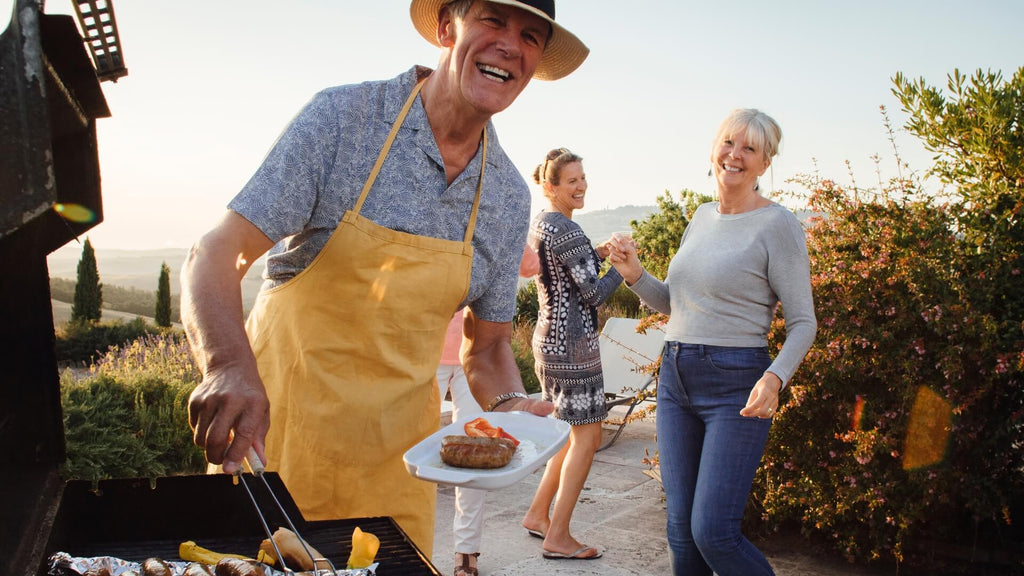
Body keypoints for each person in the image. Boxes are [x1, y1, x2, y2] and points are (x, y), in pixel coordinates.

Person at [179, 0, 589, 556]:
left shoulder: (506, 195)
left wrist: (513, 404)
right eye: (492, 20)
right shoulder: (343, 121)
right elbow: (217, 251)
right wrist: (226, 365)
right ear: (447, 27)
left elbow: (487, 346)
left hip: (397, 467)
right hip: (275, 444)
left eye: (531, 35)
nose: (510, 45)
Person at [607, 109, 817, 576]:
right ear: (713, 149)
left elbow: (804, 322)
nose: (735, 155)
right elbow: (676, 305)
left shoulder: (778, 225)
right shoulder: (701, 217)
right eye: (728, 142)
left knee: (713, 533)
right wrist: (633, 274)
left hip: (736, 386)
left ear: (765, 164)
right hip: (675, 379)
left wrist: (774, 378)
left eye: (750, 148)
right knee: (681, 533)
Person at [520, 148, 623, 561]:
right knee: (588, 435)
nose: (581, 186)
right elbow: (594, 293)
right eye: (572, 181)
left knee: (565, 434)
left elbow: (564, 268)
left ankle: (537, 515)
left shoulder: (543, 224)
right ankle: (559, 535)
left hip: (547, 342)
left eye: (583, 178)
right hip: (574, 349)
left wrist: (595, 254)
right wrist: (621, 264)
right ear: (551, 186)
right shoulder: (568, 230)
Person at [436, 245, 539, 576]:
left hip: (476, 359)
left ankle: (467, 552)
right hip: (423, 355)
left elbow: (530, 265)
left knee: (474, 457)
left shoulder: (492, 215)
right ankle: (407, 542)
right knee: (412, 457)